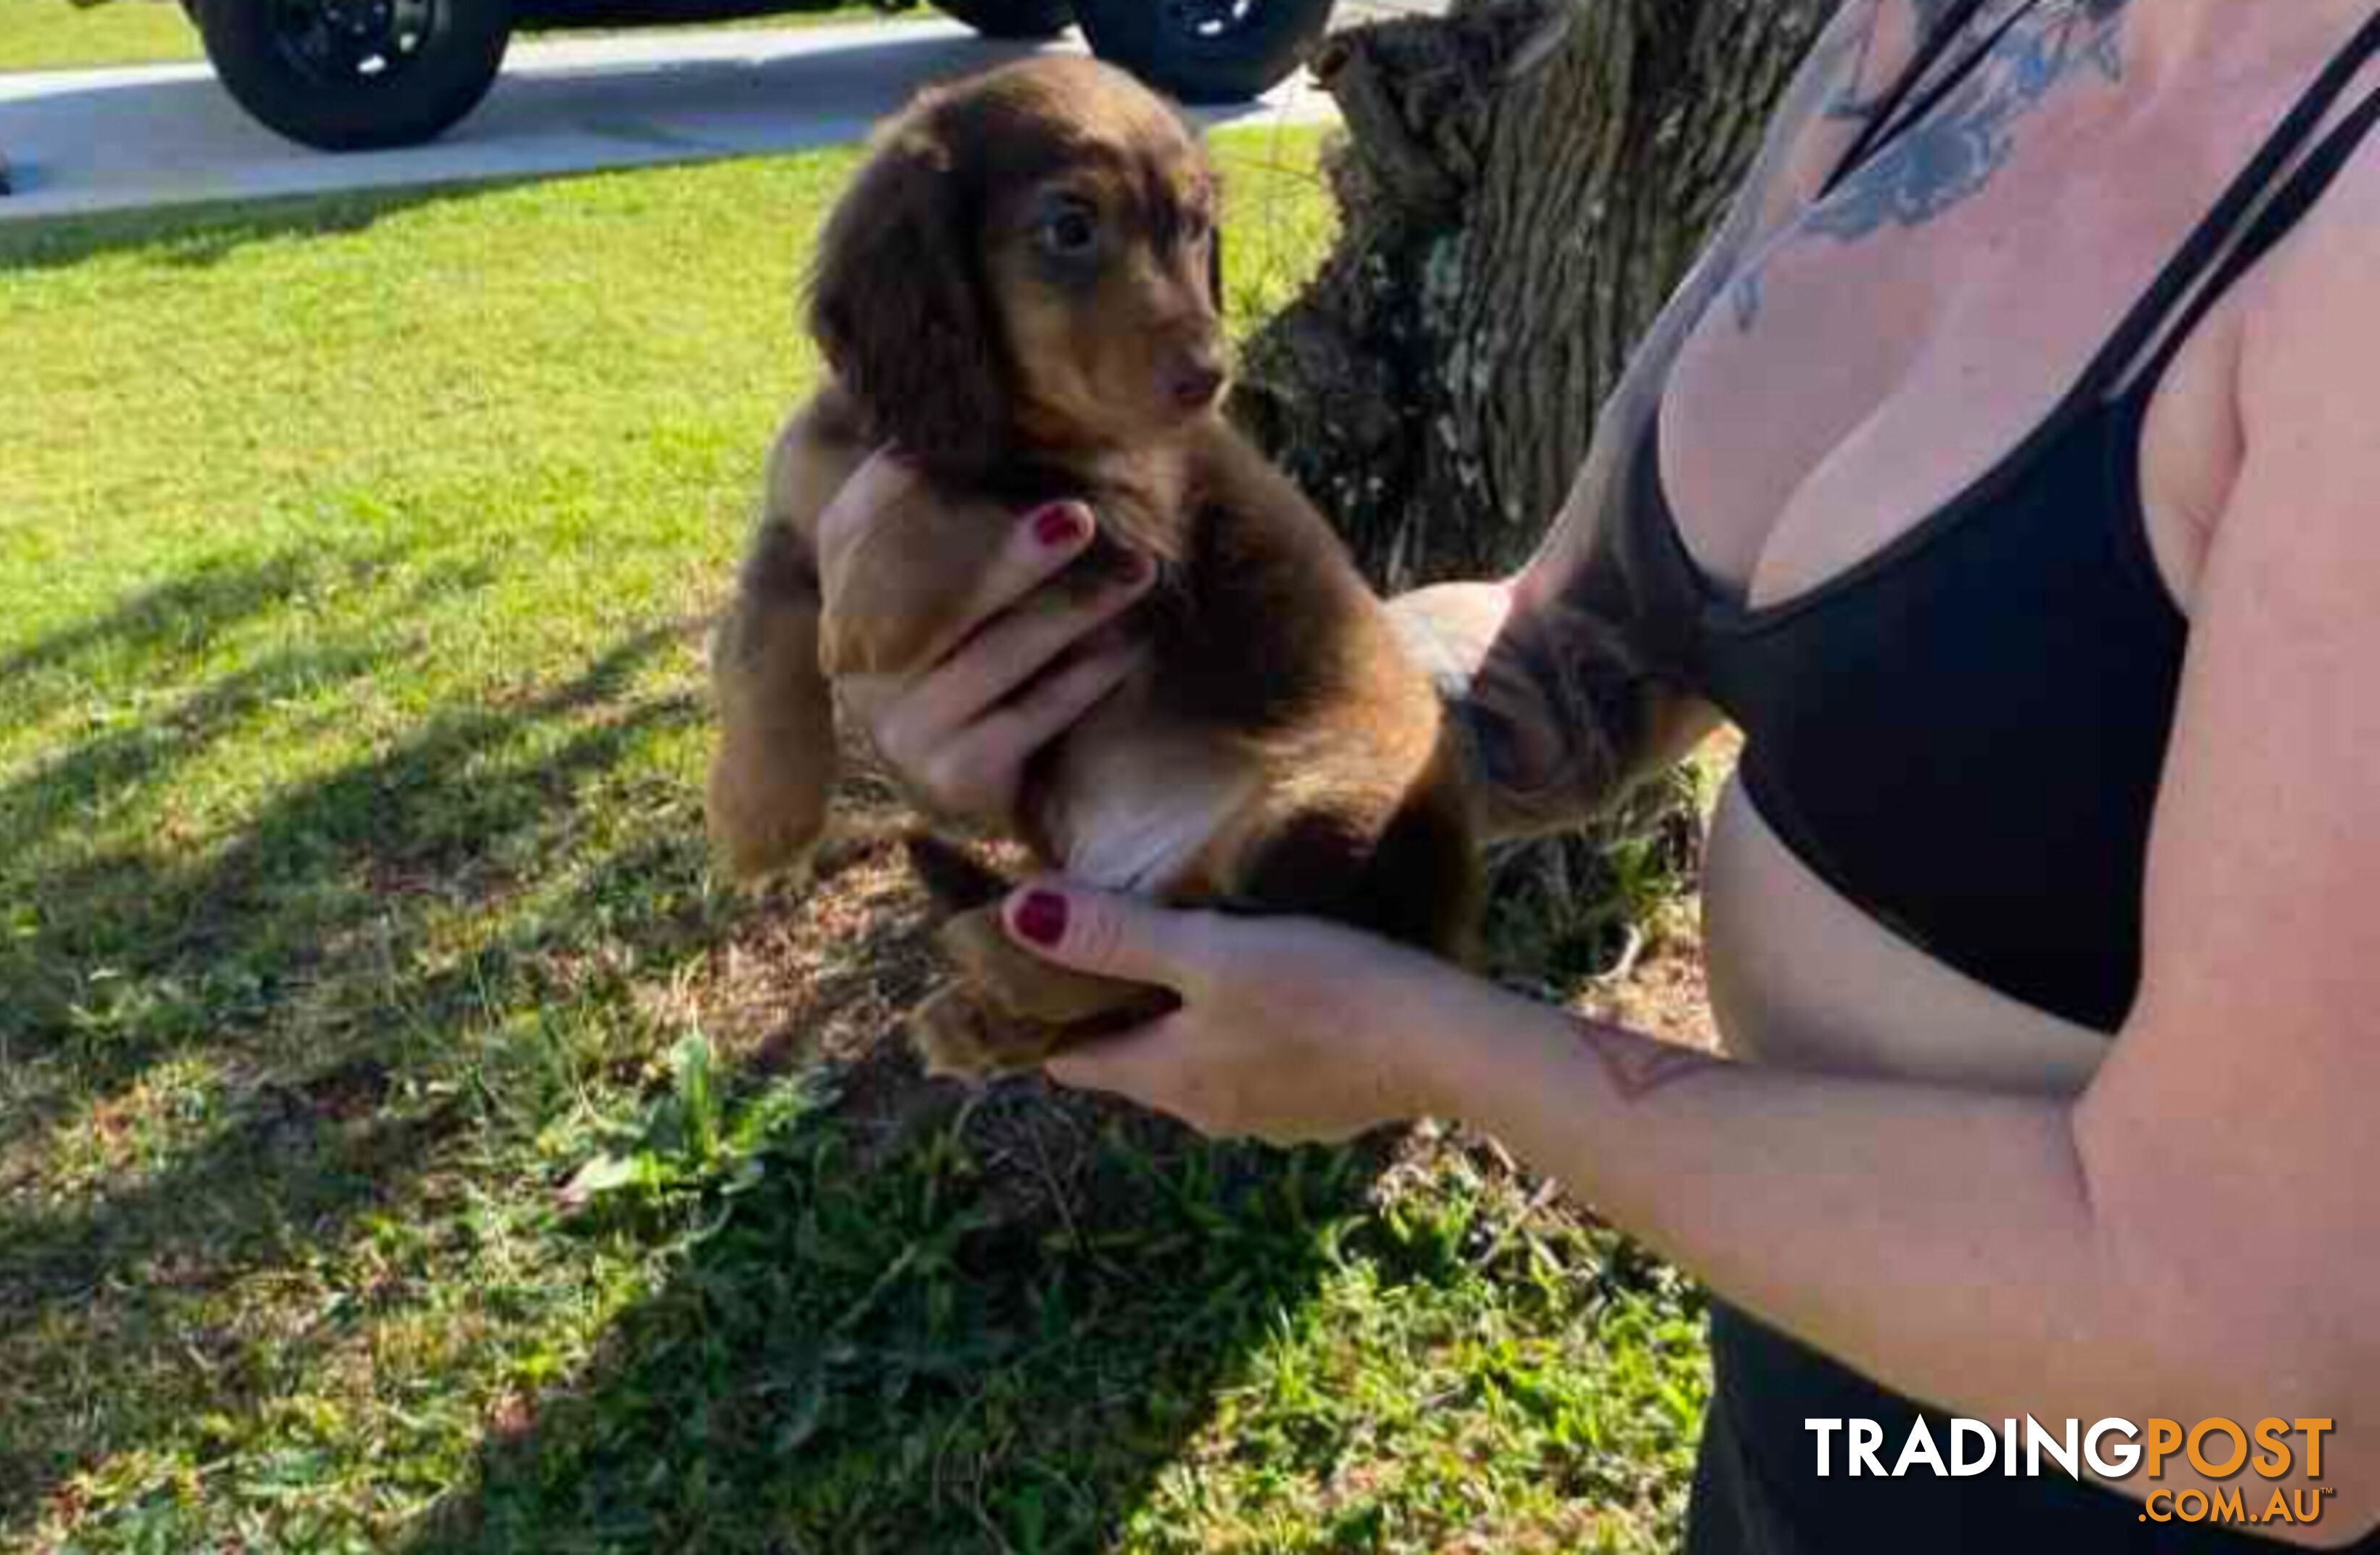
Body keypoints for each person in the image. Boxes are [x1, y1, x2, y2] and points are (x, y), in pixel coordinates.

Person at [814, 0, 2380, 1548]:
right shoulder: (1940, 31)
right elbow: (1584, 635)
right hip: (1799, 1399)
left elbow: (2276, 1393)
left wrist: (1420, 1041)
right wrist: (1126, 719)